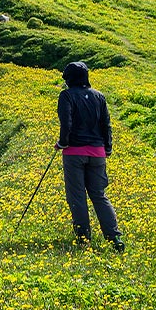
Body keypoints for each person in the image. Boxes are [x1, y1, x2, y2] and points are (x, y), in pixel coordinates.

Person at [55, 61, 124, 251]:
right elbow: (106, 125)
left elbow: (66, 123)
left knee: (77, 196)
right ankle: (114, 237)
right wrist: (107, 148)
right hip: (98, 152)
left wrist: (62, 143)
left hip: (74, 153)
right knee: (99, 195)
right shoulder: (99, 97)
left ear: (69, 79)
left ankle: (84, 238)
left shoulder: (66, 96)